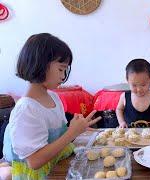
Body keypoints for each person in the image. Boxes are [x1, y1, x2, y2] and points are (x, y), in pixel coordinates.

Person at [1, 33, 101, 179]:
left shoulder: (53, 97)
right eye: (60, 69)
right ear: (39, 65)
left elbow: (55, 137)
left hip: (57, 167)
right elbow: (34, 161)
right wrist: (71, 133)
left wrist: (76, 128)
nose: (63, 76)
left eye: (65, 70)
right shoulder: (26, 109)